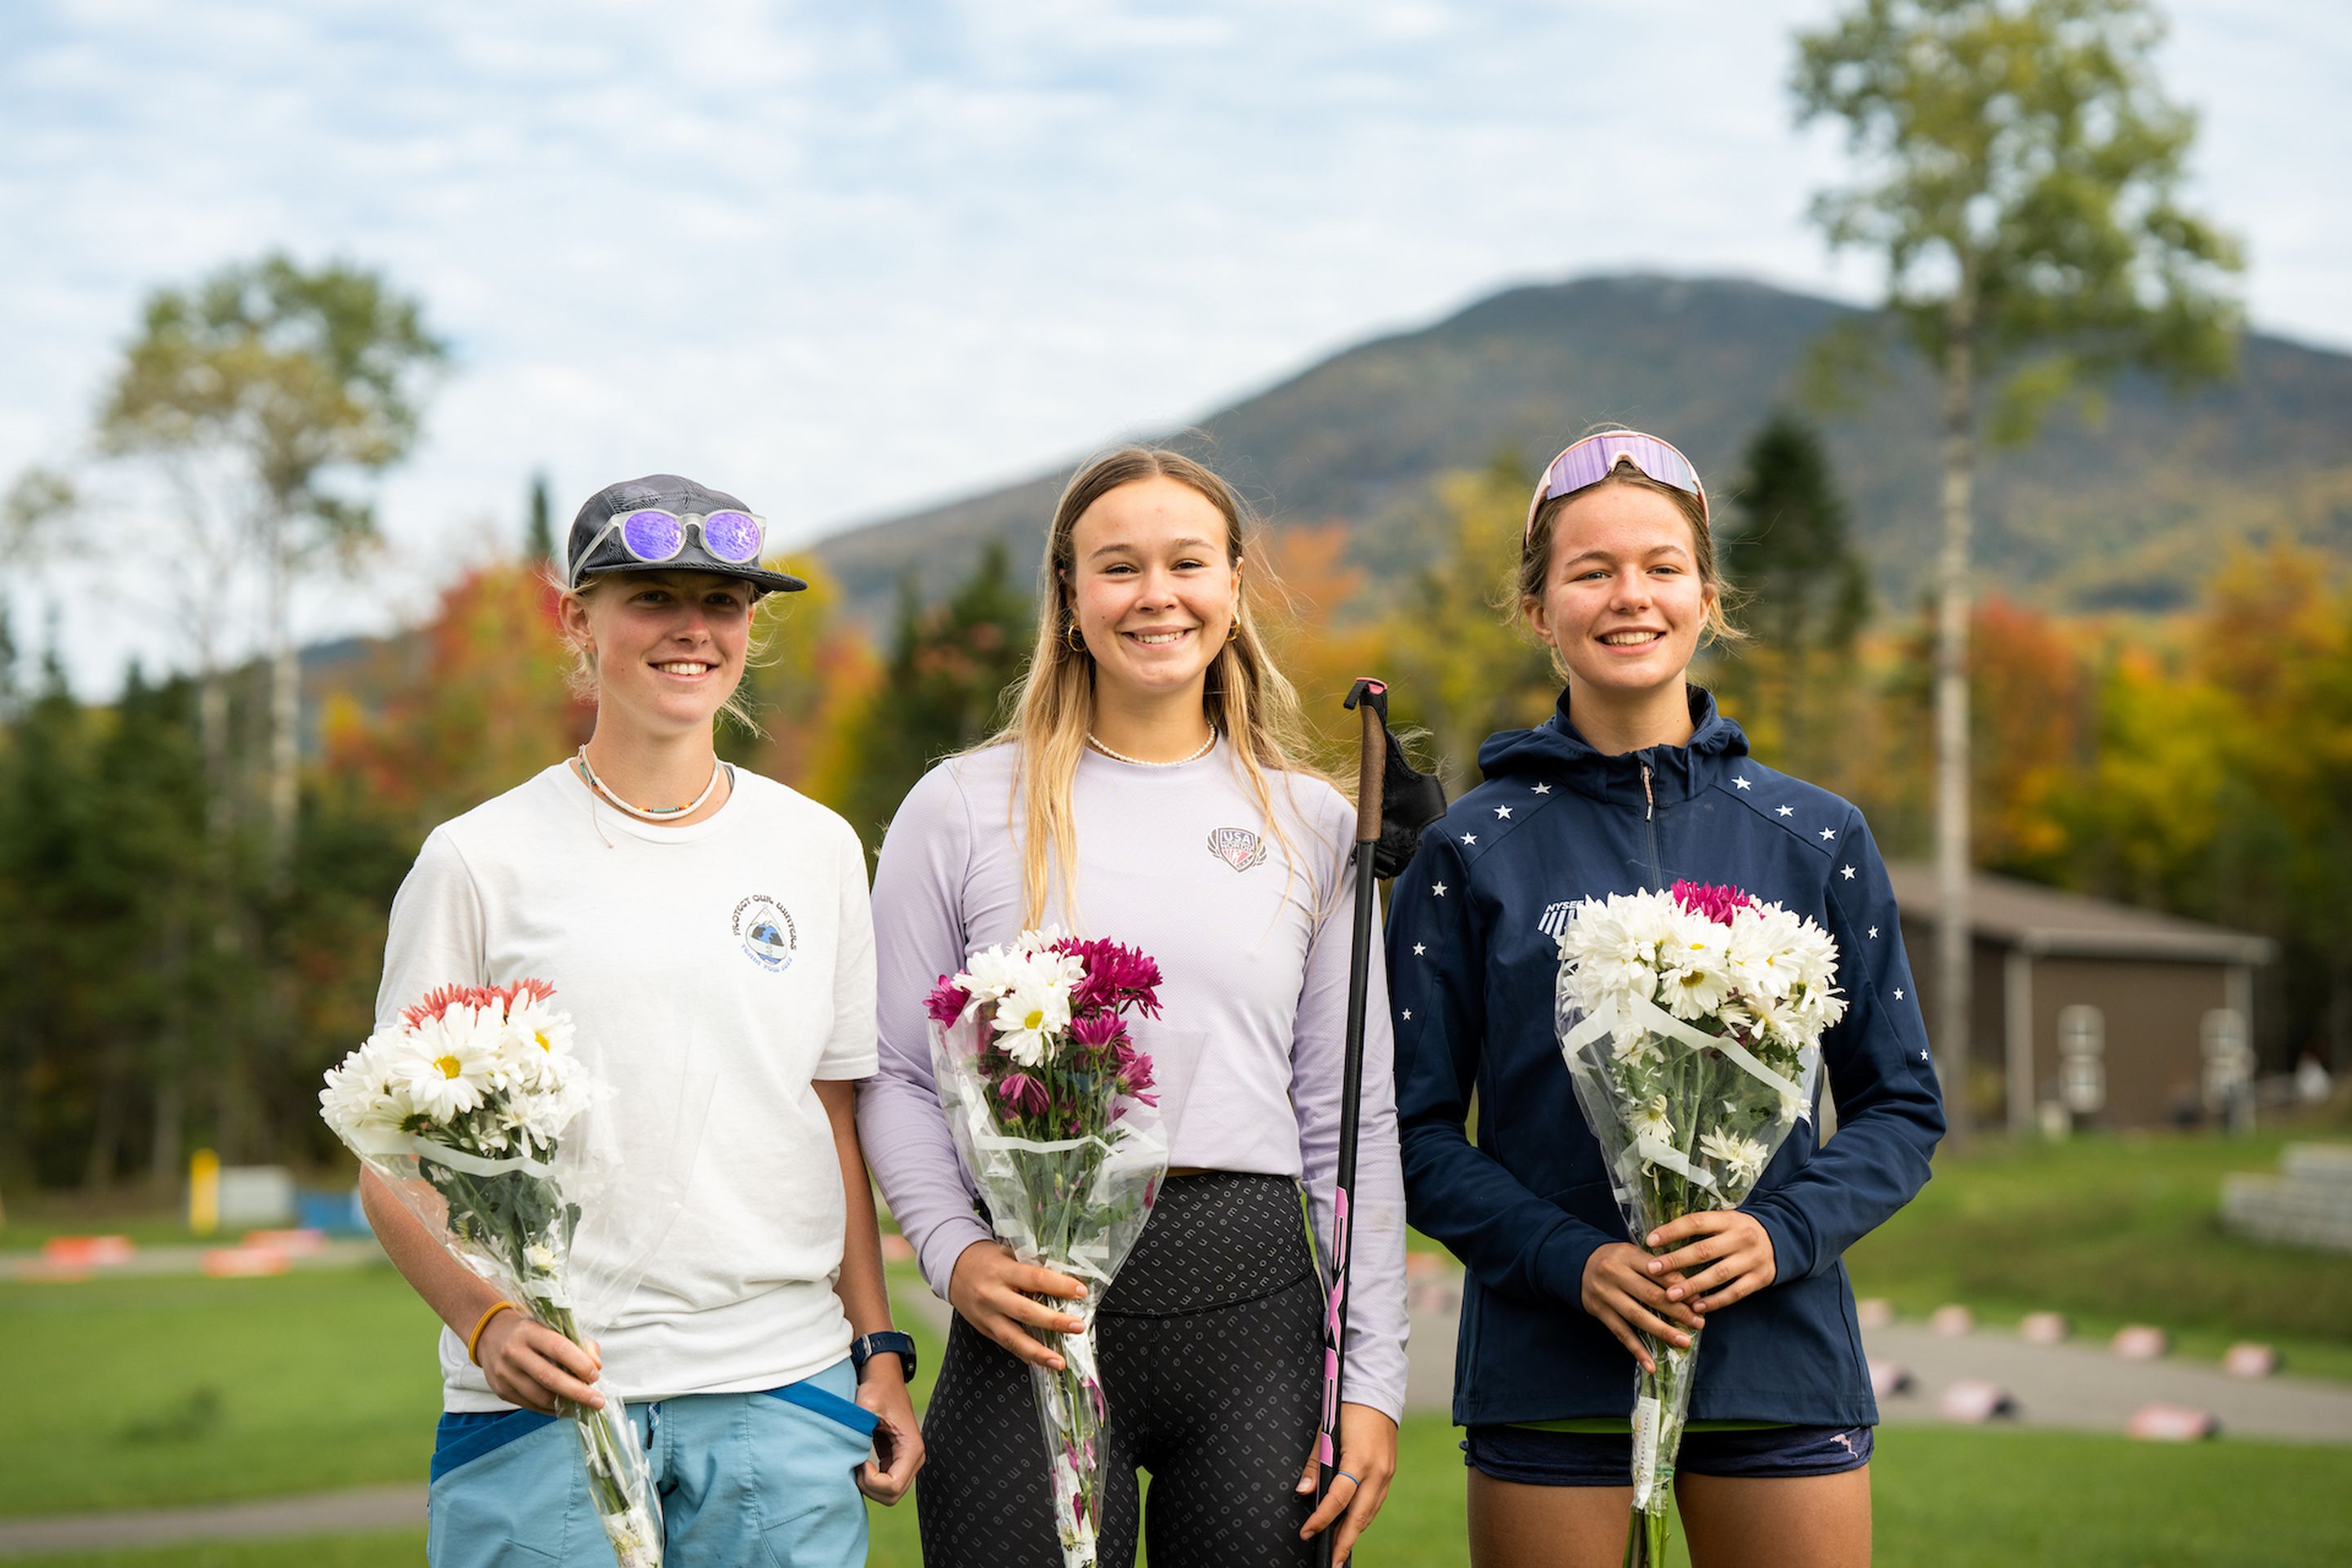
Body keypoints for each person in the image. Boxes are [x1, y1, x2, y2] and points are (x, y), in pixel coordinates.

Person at [1387, 430, 1944, 1568]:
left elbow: (1901, 1108)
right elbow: (1415, 1132)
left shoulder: (1820, 836)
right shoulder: (1471, 848)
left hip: (1776, 1357)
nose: (1628, 596)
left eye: (1661, 566)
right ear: (1539, 610)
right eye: (1590, 572)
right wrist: (1569, 1258)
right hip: (1552, 1361)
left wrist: (1778, 1233)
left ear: (1708, 598)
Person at [858, 446, 1408, 1567]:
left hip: (1253, 1316)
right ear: (1068, 598)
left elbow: (1353, 1123)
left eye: (1186, 563)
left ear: (1234, 586)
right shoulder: (960, 806)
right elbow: (896, 1073)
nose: (1156, 594)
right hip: (1028, 1309)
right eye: (1118, 567)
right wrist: (956, 1253)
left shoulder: (1313, 823)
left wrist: (1374, 1381)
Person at [361, 475, 922, 1567]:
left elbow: (833, 1127)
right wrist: (488, 1324)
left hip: (781, 1397)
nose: (692, 630)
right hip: (543, 1409)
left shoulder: (816, 849)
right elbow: (391, 1168)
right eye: (652, 598)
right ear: (579, 618)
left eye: (722, 604)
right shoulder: (478, 860)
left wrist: (880, 1351)